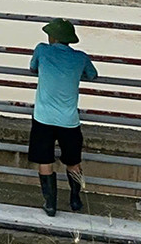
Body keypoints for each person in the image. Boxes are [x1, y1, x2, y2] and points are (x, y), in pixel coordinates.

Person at [29, 18, 97, 216]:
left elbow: (33, 67)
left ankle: (50, 205)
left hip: (43, 117)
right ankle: (75, 200)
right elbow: (92, 75)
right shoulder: (80, 58)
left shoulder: (42, 50)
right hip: (69, 120)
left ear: (53, 37)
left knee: (45, 161)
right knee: (74, 162)